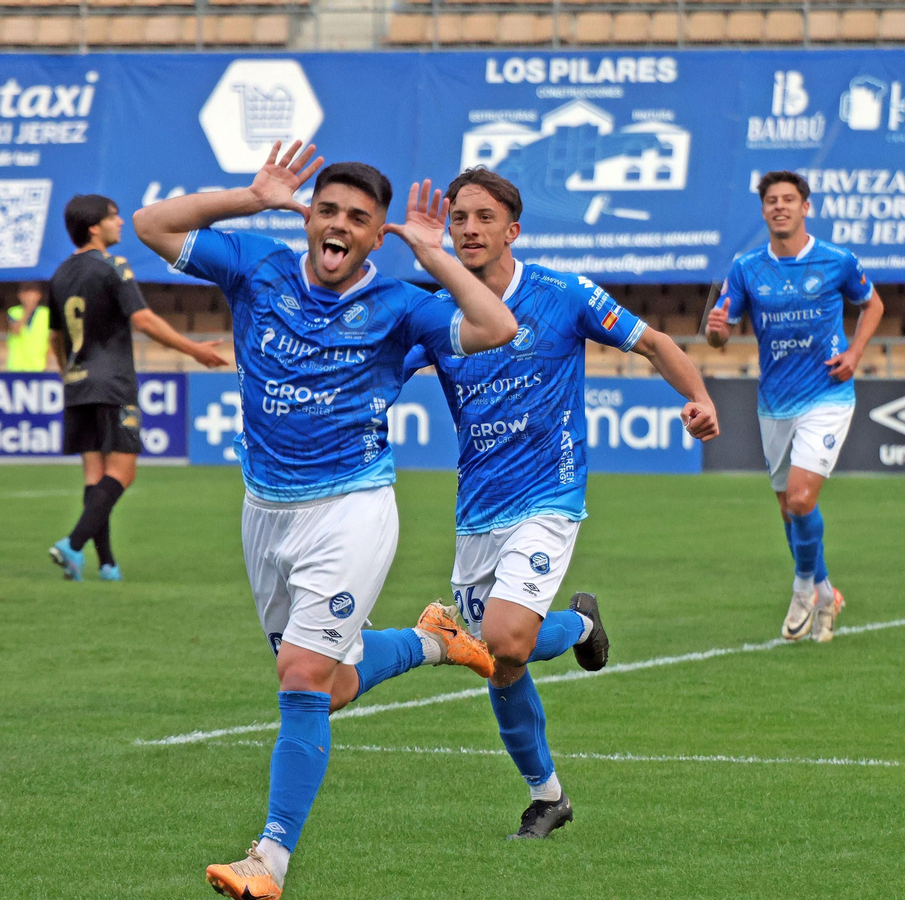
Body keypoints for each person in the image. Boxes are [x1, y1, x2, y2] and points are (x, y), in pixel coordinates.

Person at [132, 141, 519, 900]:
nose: (339, 224)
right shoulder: (259, 266)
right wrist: (253, 197)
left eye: (359, 218)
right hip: (264, 511)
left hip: (350, 509)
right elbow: (151, 224)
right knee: (330, 684)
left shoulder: (401, 305)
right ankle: (432, 642)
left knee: (301, 677)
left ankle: (269, 860)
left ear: (376, 236)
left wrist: (433, 254)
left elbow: (497, 326)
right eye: (328, 210)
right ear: (308, 217)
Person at [401, 168, 719, 838]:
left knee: (504, 639)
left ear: (513, 230)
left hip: (551, 492)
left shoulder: (563, 293)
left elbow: (654, 342)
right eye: (459, 218)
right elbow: (373, 372)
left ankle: (559, 631)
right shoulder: (435, 314)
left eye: (485, 218)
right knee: (502, 663)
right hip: (477, 506)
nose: (469, 229)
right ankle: (548, 791)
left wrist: (699, 398)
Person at [705, 170, 884, 644]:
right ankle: (825, 592)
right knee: (789, 510)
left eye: (788, 199)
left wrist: (855, 353)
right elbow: (720, 335)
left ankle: (803, 588)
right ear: (763, 210)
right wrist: (717, 331)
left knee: (802, 498)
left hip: (827, 394)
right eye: (771, 200)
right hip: (775, 402)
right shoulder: (746, 268)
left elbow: (873, 304)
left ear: (806, 207)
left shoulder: (837, 260)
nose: (779, 206)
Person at [46, 194, 227, 583]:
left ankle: (106, 564)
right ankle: (72, 545)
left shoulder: (60, 273)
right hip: (112, 383)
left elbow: (55, 338)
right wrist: (194, 349)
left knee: (94, 475)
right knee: (122, 473)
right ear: (94, 227)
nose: (121, 222)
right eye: (113, 216)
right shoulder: (114, 266)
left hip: (77, 384)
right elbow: (143, 319)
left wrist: (69, 374)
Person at [5, 282, 53, 372]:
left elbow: (50, 340)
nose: (29, 297)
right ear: (20, 296)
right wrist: (28, 311)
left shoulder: (46, 313)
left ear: (38, 295)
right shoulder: (13, 312)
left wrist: (47, 364)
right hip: (16, 366)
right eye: (26, 294)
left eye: (31, 294)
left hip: (38, 366)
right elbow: (15, 331)